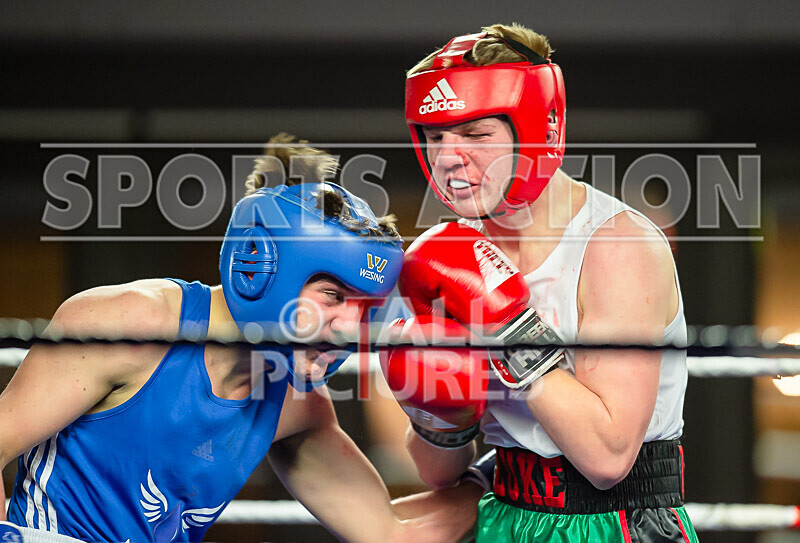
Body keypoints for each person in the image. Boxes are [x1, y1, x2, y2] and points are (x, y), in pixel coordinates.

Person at [0, 135, 481, 543]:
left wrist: (514, 475)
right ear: (261, 268)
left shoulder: (296, 406)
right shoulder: (131, 324)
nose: (347, 327)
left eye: (363, 308)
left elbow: (389, 533)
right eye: (332, 295)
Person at [382, 24, 700, 541]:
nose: (447, 158)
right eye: (436, 136)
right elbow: (438, 473)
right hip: (504, 512)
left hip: (611, 523)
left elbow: (608, 456)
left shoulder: (616, 246)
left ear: (538, 129)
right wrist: (435, 408)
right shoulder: (451, 257)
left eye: (475, 135)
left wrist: (507, 327)